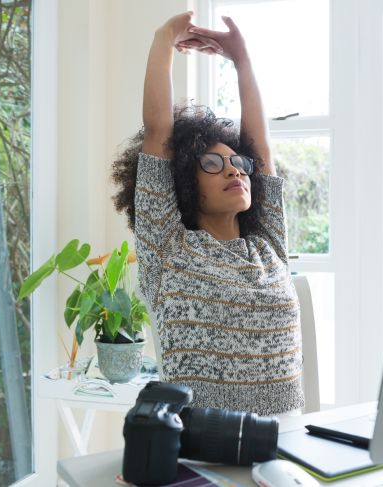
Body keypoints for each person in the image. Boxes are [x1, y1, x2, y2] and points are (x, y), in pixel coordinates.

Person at [111, 12, 304, 416]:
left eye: (238, 164)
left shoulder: (268, 246)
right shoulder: (168, 250)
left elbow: (261, 151)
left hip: (285, 443)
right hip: (202, 451)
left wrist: (242, 59)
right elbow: (158, 134)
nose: (236, 170)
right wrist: (164, 39)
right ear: (185, 183)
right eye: (213, 165)